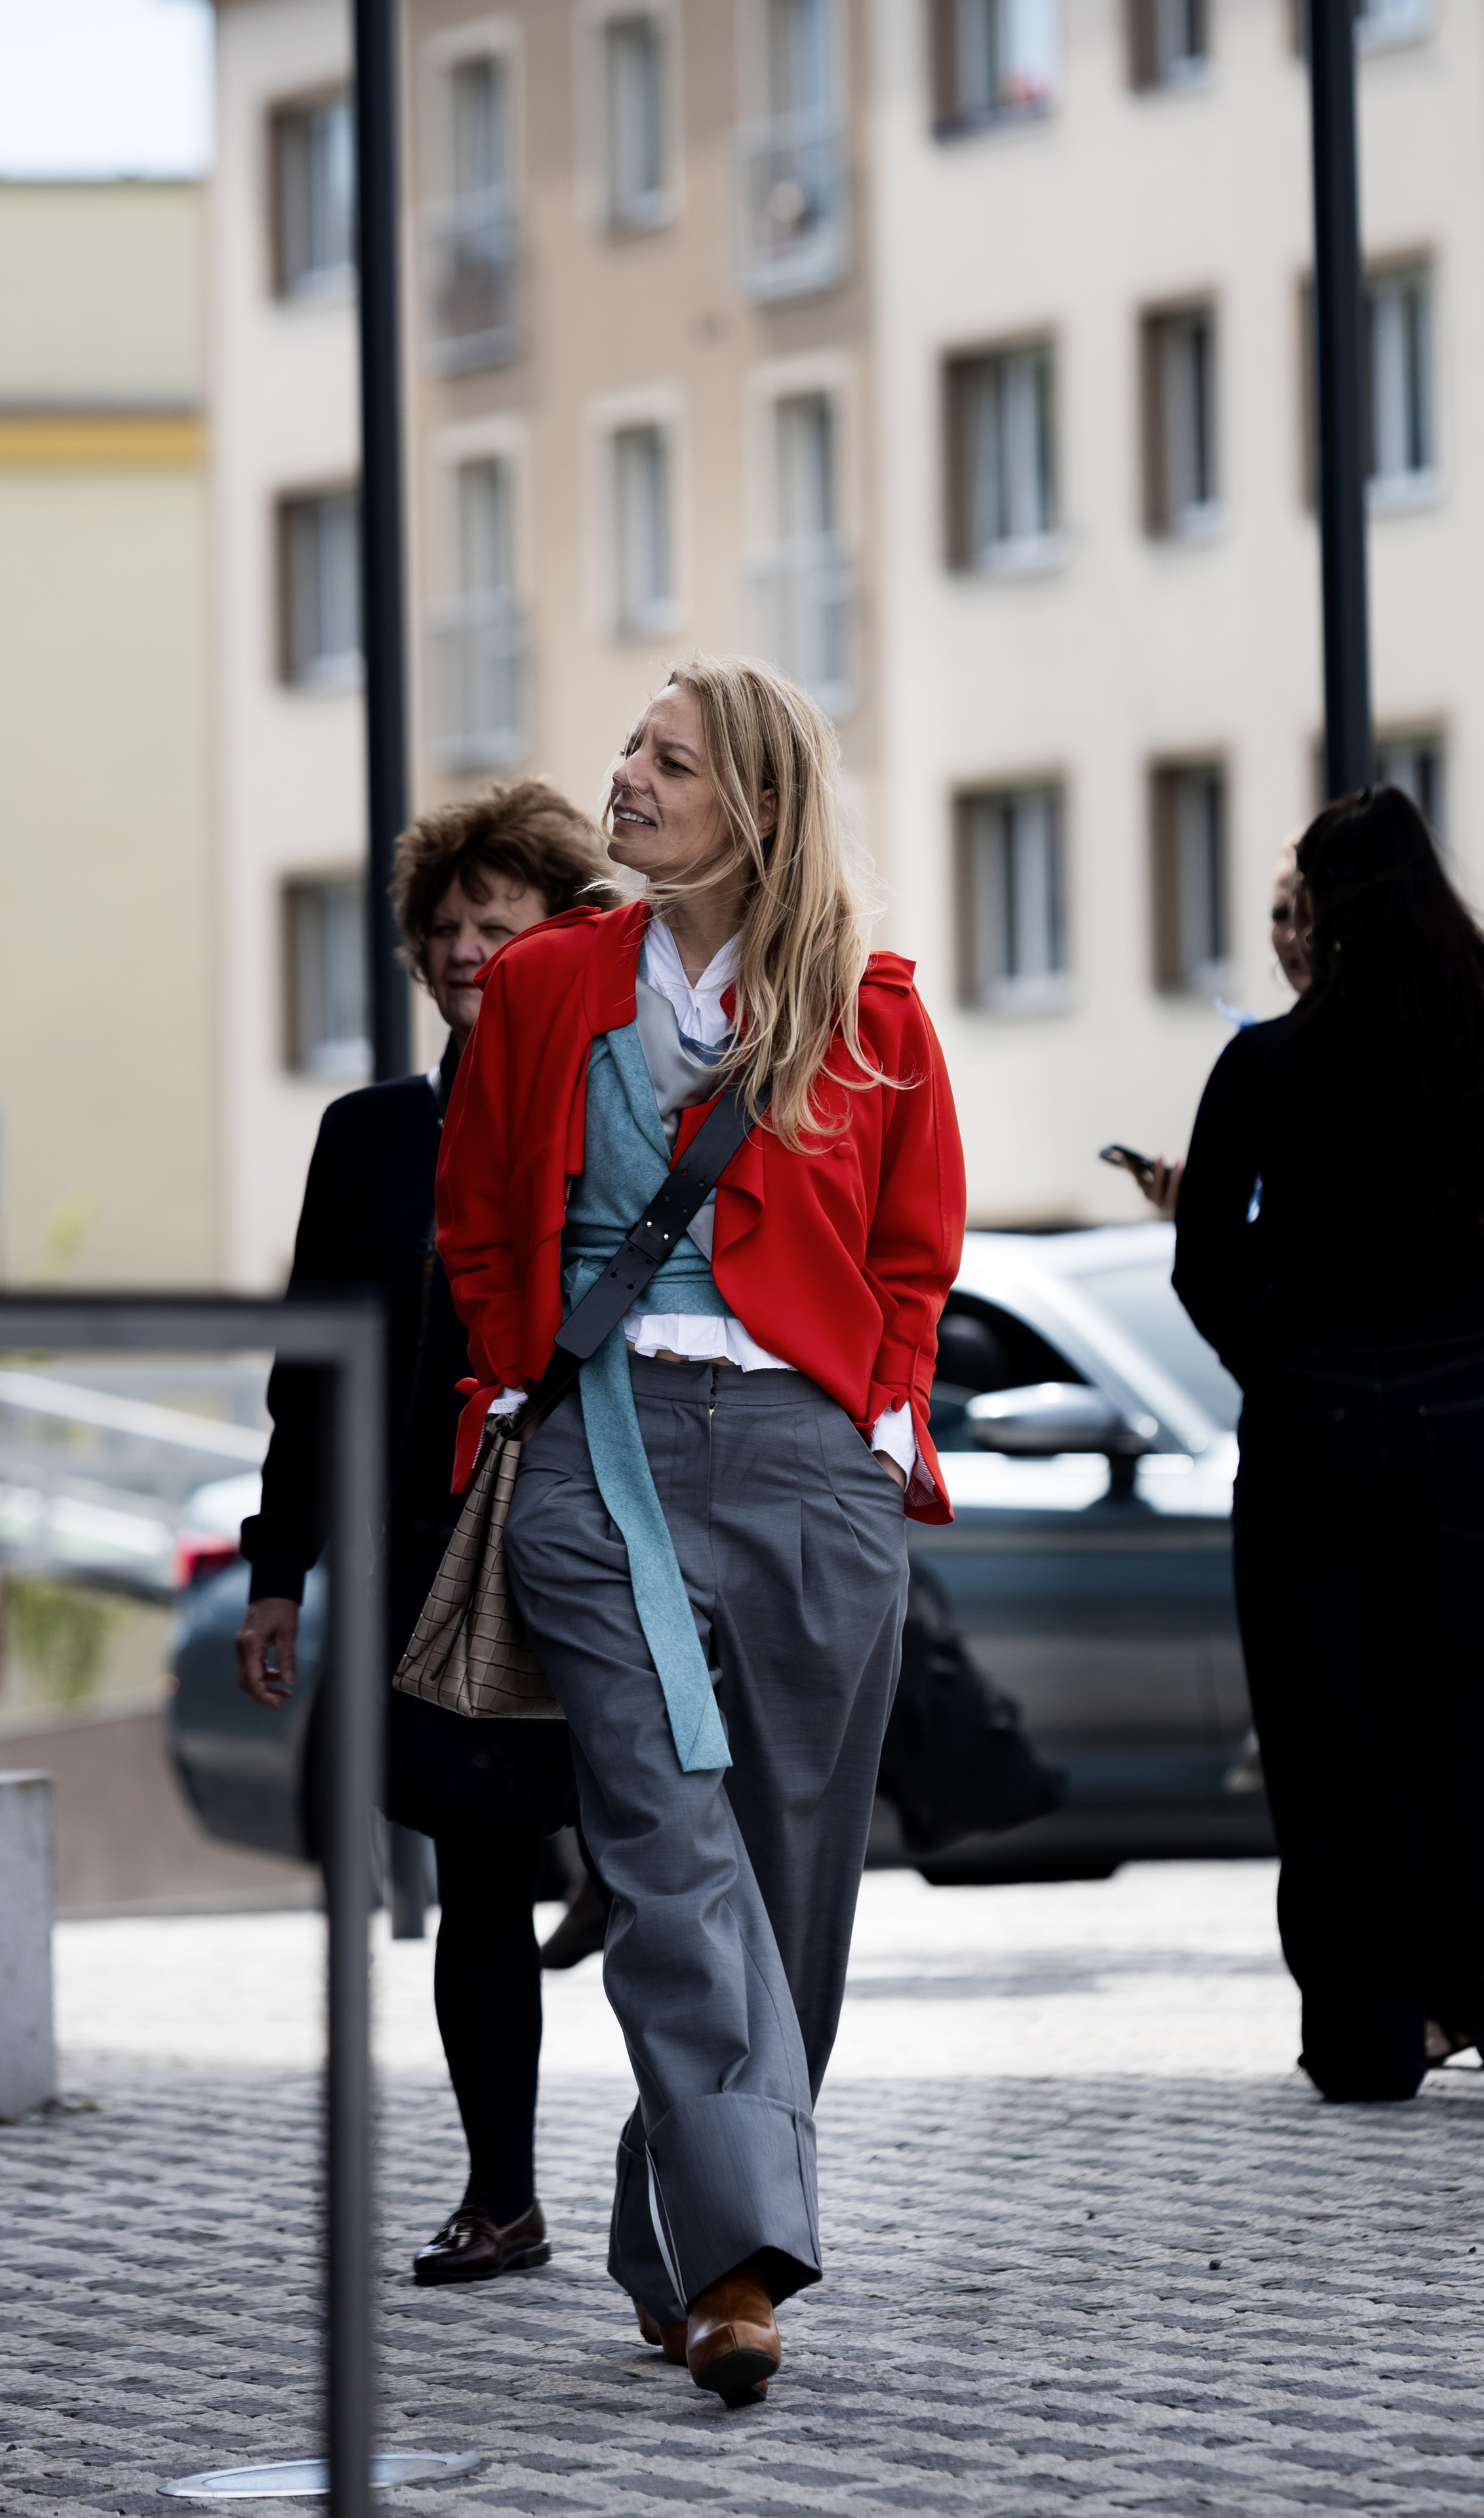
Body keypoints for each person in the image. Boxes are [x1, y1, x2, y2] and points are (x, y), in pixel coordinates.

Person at [436, 656, 965, 2403]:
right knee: (671, 1862)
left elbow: (915, 1248)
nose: (627, 777)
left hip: (810, 1469)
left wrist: (874, 1414)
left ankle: (680, 2234)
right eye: (629, 750)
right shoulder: (541, 987)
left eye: (669, 760)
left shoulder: (868, 1009)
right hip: (603, 1459)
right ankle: (743, 2270)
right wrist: (527, 1367)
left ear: (752, 803)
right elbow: (476, 1227)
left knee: (794, 1876)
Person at [235, 778, 612, 2280]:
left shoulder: (616, 1104)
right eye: (442, 927)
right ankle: (501, 2191)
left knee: (665, 1852)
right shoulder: (372, 1134)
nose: (463, 947)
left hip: (602, 1528)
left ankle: (707, 2188)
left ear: (555, 933)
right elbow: (310, 1372)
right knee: (475, 1871)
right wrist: (281, 1574)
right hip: (434, 1543)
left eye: (493, 921)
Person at [1172, 784, 1484, 2103]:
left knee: (1325, 1721)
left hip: (1311, 1410)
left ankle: (1363, 2029)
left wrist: (1271, 1352)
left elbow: (1199, 1257)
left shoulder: (1266, 1062)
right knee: (1476, 1690)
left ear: (1320, 909)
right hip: (1459, 1399)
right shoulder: (1479, 1039)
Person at [1129, 841, 1312, 1219]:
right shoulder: (1255, 1058)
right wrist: (1197, 1209)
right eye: (1281, 914)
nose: (1295, 934)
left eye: (1309, 913)